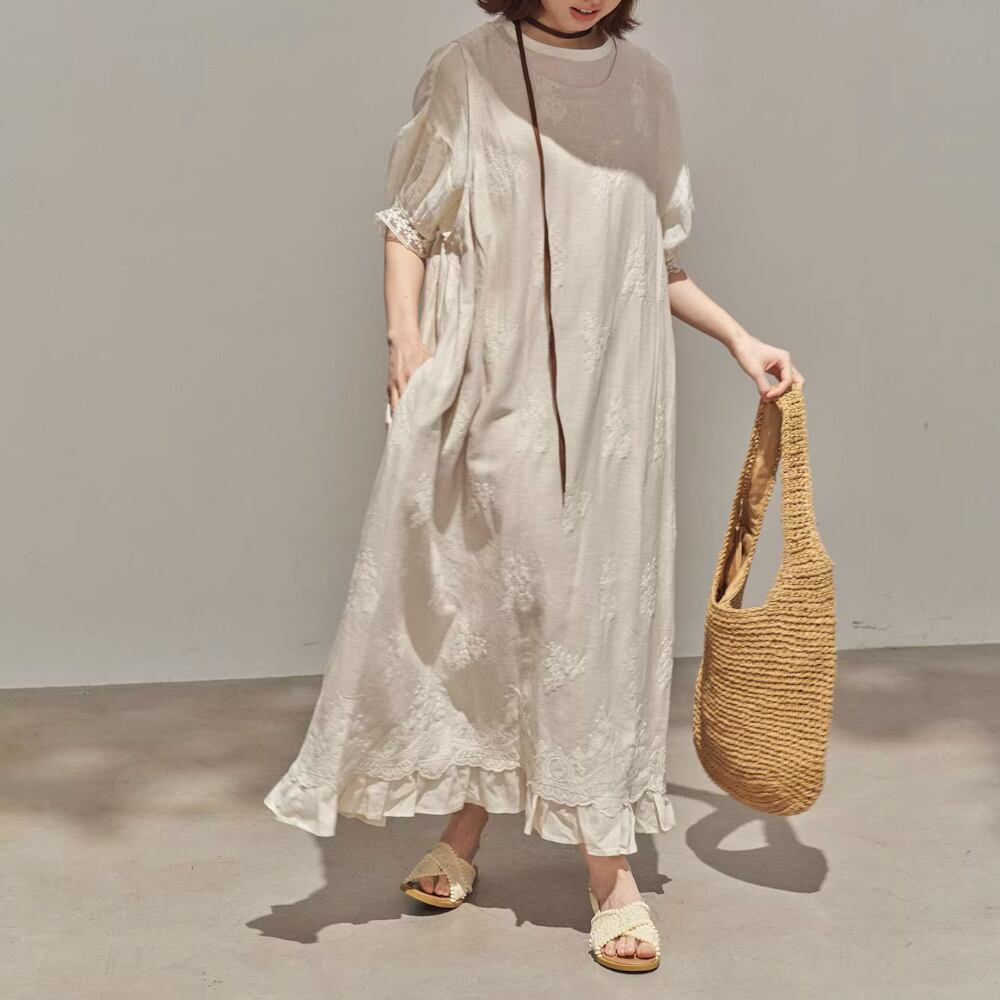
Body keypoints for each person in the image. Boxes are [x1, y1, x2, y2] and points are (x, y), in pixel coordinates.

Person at [265, 0, 803, 974]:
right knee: (526, 607)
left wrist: (740, 339)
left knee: (584, 618)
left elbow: (654, 259)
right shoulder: (468, 70)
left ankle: (480, 832)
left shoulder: (647, 88)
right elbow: (409, 221)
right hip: (497, 390)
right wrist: (405, 339)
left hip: (617, 408)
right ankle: (608, 870)